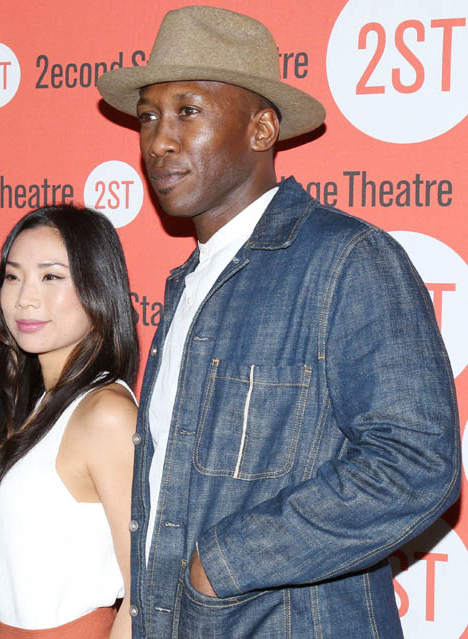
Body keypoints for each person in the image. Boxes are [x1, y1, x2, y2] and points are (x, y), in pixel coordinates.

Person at [93, 6, 461, 638]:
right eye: (148, 116)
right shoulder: (189, 283)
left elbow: (417, 461)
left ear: (262, 128)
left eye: (188, 111)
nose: (158, 141)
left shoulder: (346, 260)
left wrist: (224, 564)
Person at [0, 206, 139, 639]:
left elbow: (145, 594)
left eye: (51, 276)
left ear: (98, 287)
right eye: (13, 276)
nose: (25, 297)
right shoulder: (36, 406)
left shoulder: (106, 414)